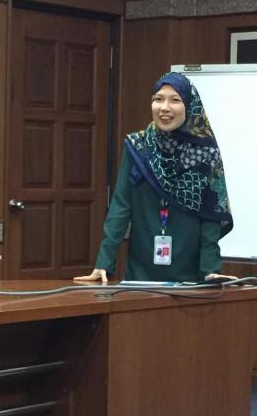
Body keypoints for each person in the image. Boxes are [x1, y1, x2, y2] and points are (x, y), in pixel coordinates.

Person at [74, 71, 233, 284]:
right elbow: (120, 207)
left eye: (175, 100)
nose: (164, 107)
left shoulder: (205, 151)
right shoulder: (137, 147)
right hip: (140, 275)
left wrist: (210, 270)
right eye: (158, 99)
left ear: (190, 105)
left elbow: (211, 215)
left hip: (190, 279)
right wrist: (104, 263)